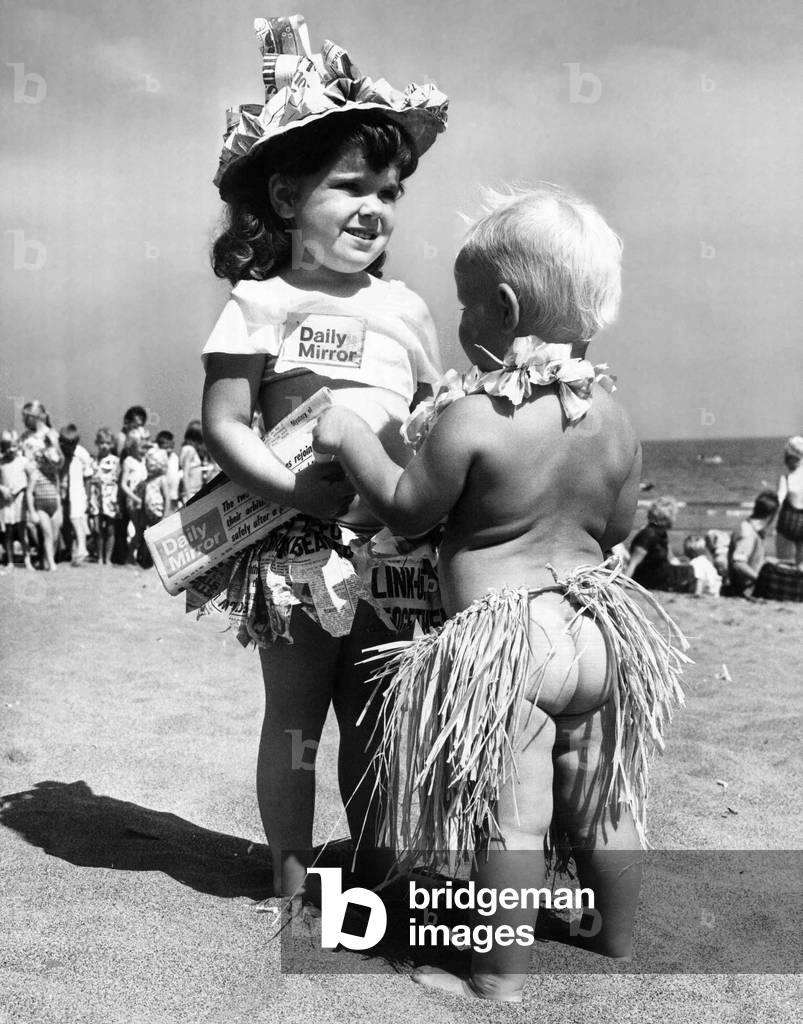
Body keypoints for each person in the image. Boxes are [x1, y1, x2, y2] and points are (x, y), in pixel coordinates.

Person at [313, 183, 688, 1001]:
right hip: (594, 630)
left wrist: (349, 437)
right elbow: (615, 527)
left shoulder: (473, 416)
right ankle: (614, 935)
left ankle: (495, 978)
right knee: (599, 797)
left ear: (505, 308)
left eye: (465, 305)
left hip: (509, 646)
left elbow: (406, 506)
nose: (460, 321)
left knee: (513, 817)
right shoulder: (613, 419)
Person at [200, 16, 447, 903]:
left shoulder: (407, 309)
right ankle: (290, 873)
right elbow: (224, 424)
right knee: (297, 717)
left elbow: (432, 415)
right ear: (283, 195)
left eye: (389, 191)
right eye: (349, 186)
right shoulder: (259, 303)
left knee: (377, 718)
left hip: (391, 547)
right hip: (294, 541)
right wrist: (298, 491)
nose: (373, 207)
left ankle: (373, 873)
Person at [20, 399, 63, 571]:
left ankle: (48, 559)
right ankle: (43, 557)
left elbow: (60, 462)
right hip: (32, 484)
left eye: (26, 417)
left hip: (50, 484)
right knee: (34, 525)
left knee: (54, 528)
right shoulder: (25, 437)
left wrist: (53, 449)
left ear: (35, 417)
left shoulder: (51, 435)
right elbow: (22, 460)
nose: (24, 421)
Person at [624, 496, 695, 592]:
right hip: (648, 579)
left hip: (661, 574)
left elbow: (671, 558)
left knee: (690, 569)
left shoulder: (662, 534)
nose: (675, 519)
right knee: (690, 572)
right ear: (667, 517)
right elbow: (633, 563)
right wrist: (623, 586)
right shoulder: (648, 534)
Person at [727, 490, 779, 597]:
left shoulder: (751, 529)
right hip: (746, 590)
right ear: (771, 516)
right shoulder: (748, 533)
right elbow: (738, 564)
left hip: (748, 587)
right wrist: (761, 580)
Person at [58, 424, 94, 566]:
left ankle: (82, 548)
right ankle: (70, 549)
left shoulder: (81, 454)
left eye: (71, 443)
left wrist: (88, 497)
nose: (68, 447)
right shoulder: (60, 452)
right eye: (65, 443)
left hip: (77, 491)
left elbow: (88, 477)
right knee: (65, 522)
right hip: (63, 491)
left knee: (76, 520)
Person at [0, 430, 33, 569]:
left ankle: (27, 559)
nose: (11, 450)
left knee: (22, 531)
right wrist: (2, 488)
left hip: (19, 500)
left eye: (13, 446)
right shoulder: (1, 462)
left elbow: (31, 478)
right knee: (8, 532)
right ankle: (10, 560)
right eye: (7, 447)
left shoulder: (23, 461)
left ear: (18, 445)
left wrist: (22, 489)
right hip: (6, 501)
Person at [119, 426, 149, 565]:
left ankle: (134, 556)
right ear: (132, 447)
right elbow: (123, 485)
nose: (144, 450)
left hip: (143, 500)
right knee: (139, 529)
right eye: (141, 447)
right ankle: (129, 556)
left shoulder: (144, 460)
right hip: (133, 501)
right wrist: (135, 498)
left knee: (142, 529)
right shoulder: (129, 461)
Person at [90, 428, 120, 566]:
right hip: (96, 498)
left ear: (112, 444)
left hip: (110, 498)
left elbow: (118, 480)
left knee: (110, 529)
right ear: (97, 443)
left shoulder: (115, 461)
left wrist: (117, 500)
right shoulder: (93, 460)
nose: (104, 446)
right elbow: (90, 479)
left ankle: (108, 558)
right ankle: (99, 557)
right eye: (101, 443)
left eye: (107, 443)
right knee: (97, 529)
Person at [776, 435, 803, 569]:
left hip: (788, 523)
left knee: (783, 563)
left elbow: (778, 502)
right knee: (801, 564)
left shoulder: (786, 478)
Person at [177, 421, 212, 504]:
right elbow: (185, 474)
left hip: (194, 492)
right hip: (191, 493)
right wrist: (189, 497)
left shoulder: (187, 449)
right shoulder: (190, 450)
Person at [155, 430, 181, 510]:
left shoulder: (175, 457)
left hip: (174, 496)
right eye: (166, 448)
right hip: (161, 497)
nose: (169, 450)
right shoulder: (157, 459)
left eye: (171, 447)